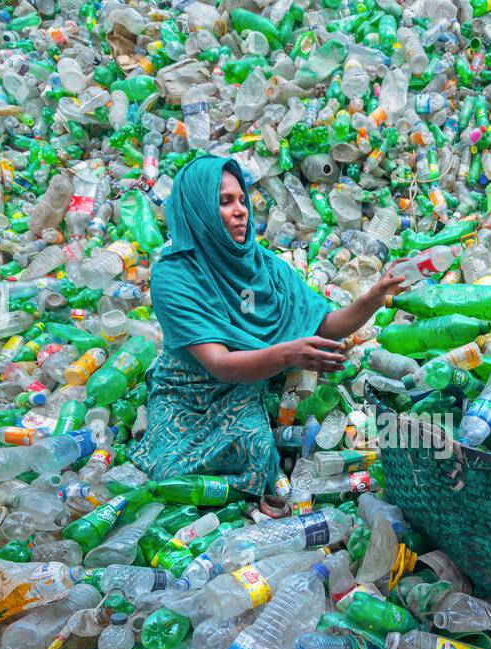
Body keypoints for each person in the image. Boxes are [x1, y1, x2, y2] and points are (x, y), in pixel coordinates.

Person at [130, 155, 405, 495]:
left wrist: (373, 298)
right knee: (169, 469)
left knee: (259, 451)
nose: (241, 210)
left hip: (247, 383)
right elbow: (220, 364)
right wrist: (288, 355)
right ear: (197, 209)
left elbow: (326, 325)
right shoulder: (174, 277)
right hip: (191, 388)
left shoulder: (263, 266)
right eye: (225, 202)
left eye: (242, 200)